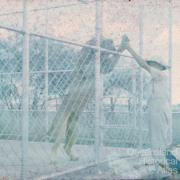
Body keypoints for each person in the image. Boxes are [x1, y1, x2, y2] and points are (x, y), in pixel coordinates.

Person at [48, 37, 123, 162]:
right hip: (74, 94)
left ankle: (68, 149)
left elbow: (110, 66)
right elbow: (89, 71)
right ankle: (54, 152)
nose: (110, 51)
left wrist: (120, 49)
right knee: (63, 122)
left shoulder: (101, 62)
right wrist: (116, 50)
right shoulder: (86, 61)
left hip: (84, 96)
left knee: (74, 124)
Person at [120, 35, 173, 176]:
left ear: (159, 66)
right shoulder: (156, 79)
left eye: (152, 63)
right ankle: (162, 170)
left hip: (159, 109)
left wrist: (129, 48)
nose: (150, 65)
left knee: (157, 141)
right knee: (159, 140)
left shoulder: (161, 75)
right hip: (158, 108)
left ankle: (162, 172)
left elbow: (142, 64)